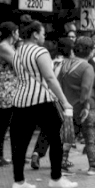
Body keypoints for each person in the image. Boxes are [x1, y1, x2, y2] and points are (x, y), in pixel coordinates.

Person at [11, 21, 77, 188]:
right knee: (55, 138)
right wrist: (64, 101)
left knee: (21, 141)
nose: (44, 37)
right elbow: (49, 78)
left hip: (20, 99)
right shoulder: (40, 51)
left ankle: (18, 181)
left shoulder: (18, 51)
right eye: (42, 34)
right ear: (35, 34)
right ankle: (56, 178)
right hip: (41, 98)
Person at [59, 37, 95, 175]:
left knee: (68, 137)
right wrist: (86, 107)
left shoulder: (64, 64)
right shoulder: (87, 67)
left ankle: (62, 164)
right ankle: (93, 166)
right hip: (85, 107)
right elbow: (85, 92)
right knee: (90, 136)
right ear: (89, 51)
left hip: (68, 108)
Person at [30, 38, 73, 170]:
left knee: (48, 127)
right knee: (63, 130)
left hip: (47, 96)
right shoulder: (69, 64)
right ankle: (61, 160)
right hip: (62, 99)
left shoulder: (50, 61)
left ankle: (37, 153)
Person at [0, 21, 20, 167]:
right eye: (17, 31)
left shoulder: (9, 46)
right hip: (6, 89)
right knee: (5, 124)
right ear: (13, 32)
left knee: (8, 123)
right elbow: (19, 63)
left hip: (10, 87)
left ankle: (2, 154)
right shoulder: (4, 47)